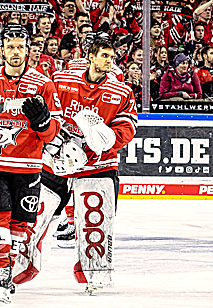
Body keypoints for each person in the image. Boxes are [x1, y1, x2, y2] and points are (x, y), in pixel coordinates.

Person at [14, 35, 137, 292]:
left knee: (95, 219)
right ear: (90, 56)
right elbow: (44, 112)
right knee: (33, 215)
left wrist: (110, 138)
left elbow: (128, 126)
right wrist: (51, 140)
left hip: (98, 165)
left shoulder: (121, 91)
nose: (109, 61)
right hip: (56, 161)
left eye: (112, 57)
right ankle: (19, 266)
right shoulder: (61, 80)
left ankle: (96, 273)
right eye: (104, 55)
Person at [0, 24, 60, 303]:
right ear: (1, 50)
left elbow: (53, 131)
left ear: (28, 50)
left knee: (21, 225)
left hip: (28, 164)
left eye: (20, 47)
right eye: (10, 47)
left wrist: (43, 122)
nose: (15, 52)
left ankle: (10, 263)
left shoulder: (43, 84)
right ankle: (0, 271)